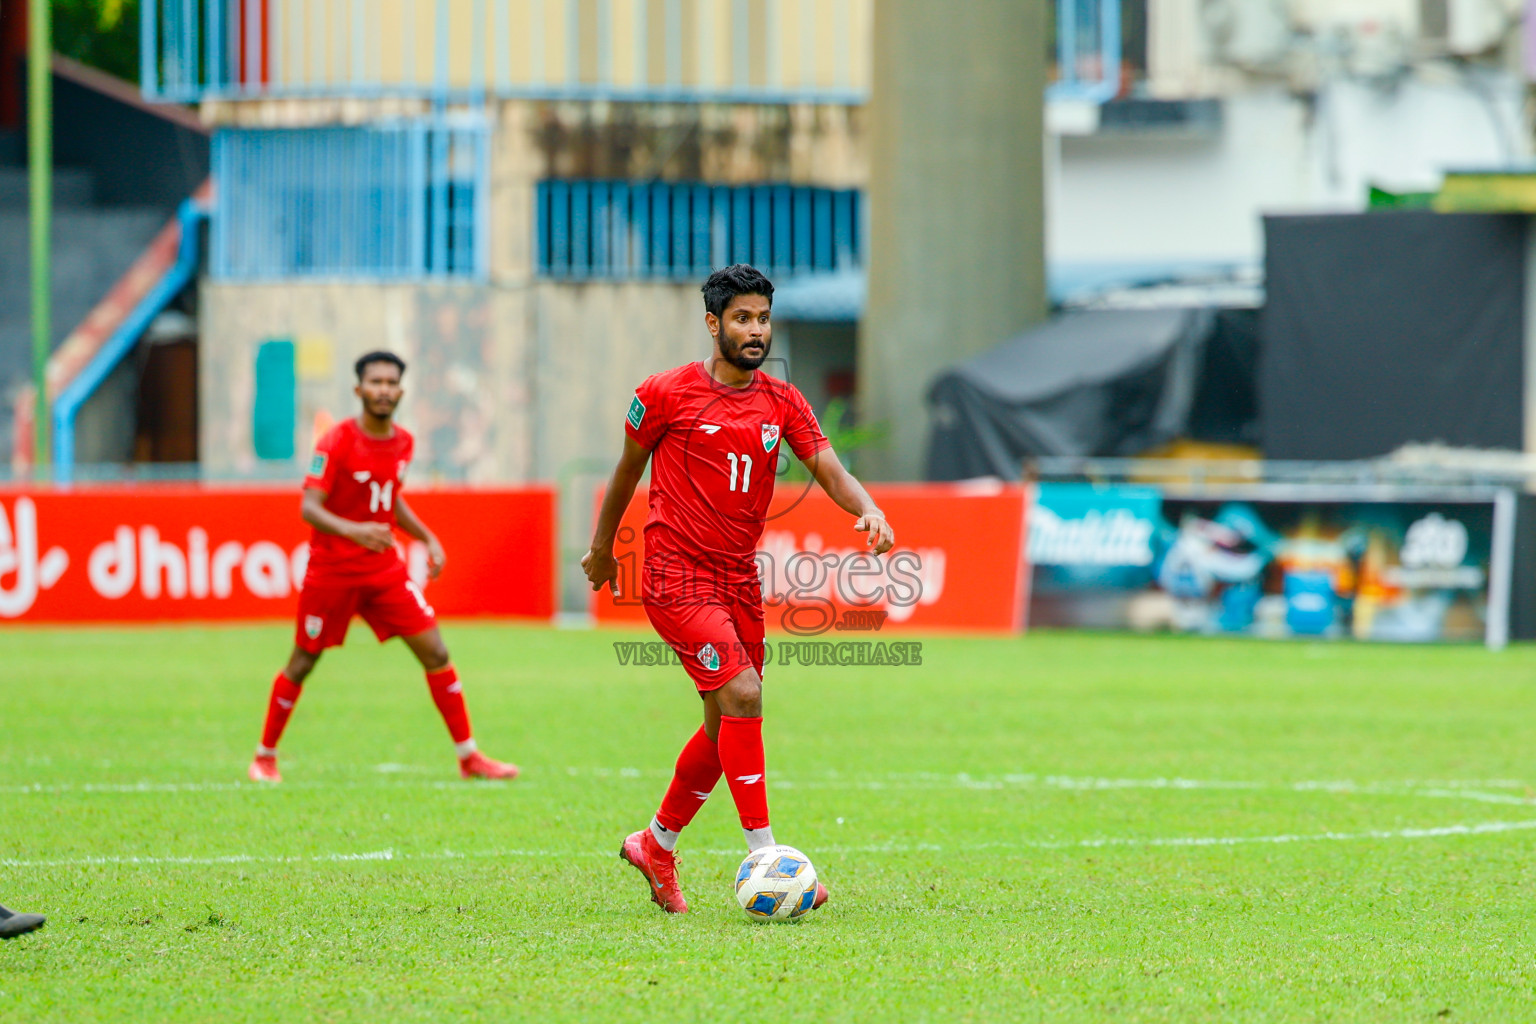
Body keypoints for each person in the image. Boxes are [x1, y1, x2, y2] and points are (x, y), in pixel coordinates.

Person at [582, 264, 895, 913]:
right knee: (744, 693)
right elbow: (624, 474)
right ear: (713, 324)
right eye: (743, 319)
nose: (756, 330)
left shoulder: (782, 401)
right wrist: (603, 550)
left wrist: (869, 509)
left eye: (763, 319)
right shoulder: (664, 393)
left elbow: (829, 467)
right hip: (674, 573)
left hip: (737, 580)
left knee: (727, 726)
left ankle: (655, 843)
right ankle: (767, 856)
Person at [248, 351, 519, 784]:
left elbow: (389, 499)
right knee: (303, 661)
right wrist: (357, 532)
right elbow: (309, 508)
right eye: (375, 382)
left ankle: (469, 758)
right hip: (332, 572)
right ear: (359, 390)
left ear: (401, 391)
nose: (384, 390)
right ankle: (264, 757)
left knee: (436, 652)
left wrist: (427, 536)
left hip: (383, 571)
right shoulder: (335, 441)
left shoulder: (403, 443)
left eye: (391, 383)